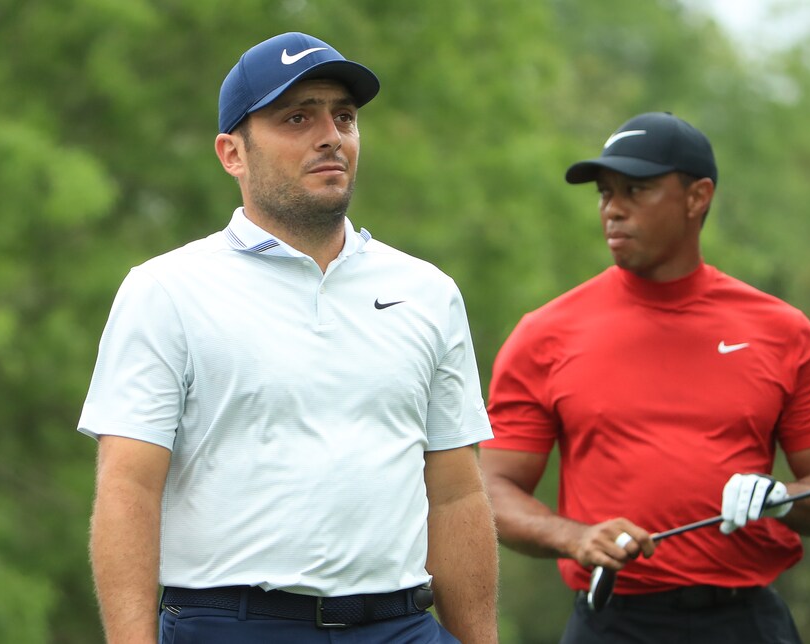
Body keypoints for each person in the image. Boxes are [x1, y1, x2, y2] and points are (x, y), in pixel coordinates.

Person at [79, 31, 498, 644]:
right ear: (232, 154)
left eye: (344, 116)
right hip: (230, 625)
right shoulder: (165, 289)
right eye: (297, 117)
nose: (331, 135)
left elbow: (457, 494)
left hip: (401, 625)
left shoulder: (428, 291)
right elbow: (127, 488)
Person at [479, 111, 810, 643]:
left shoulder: (782, 331)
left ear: (697, 197)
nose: (612, 209)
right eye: (605, 193)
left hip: (744, 622)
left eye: (636, 190)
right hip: (612, 622)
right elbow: (491, 488)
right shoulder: (545, 334)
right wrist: (575, 538)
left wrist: (784, 496)